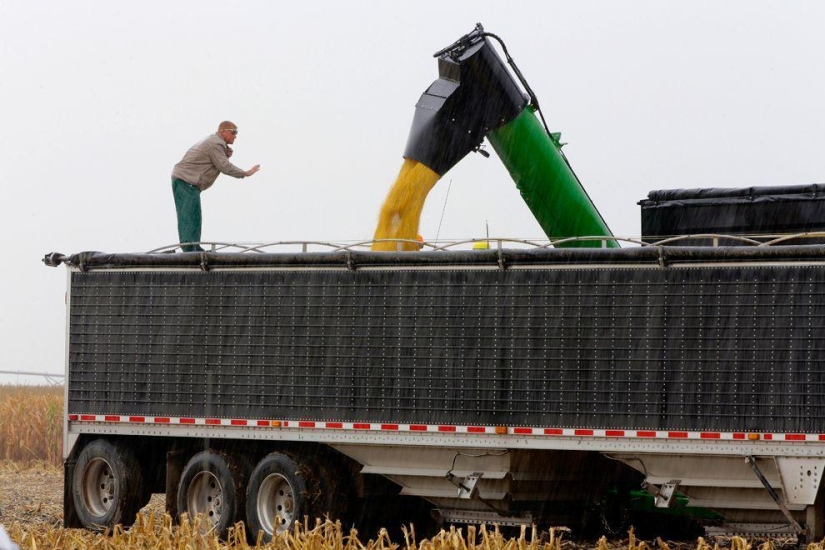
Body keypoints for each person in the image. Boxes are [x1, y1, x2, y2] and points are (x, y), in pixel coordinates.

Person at [171, 121, 260, 251]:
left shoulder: (215, 142)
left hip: (188, 181)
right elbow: (224, 167)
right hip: (185, 180)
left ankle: (194, 248)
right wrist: (245, 173)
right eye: (233, 132)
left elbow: (216, 162)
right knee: (189, 216)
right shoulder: (215, 143)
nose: (235, 136)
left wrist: (225, 155)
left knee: (195, 215)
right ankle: (189, 250)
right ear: (223, 131)